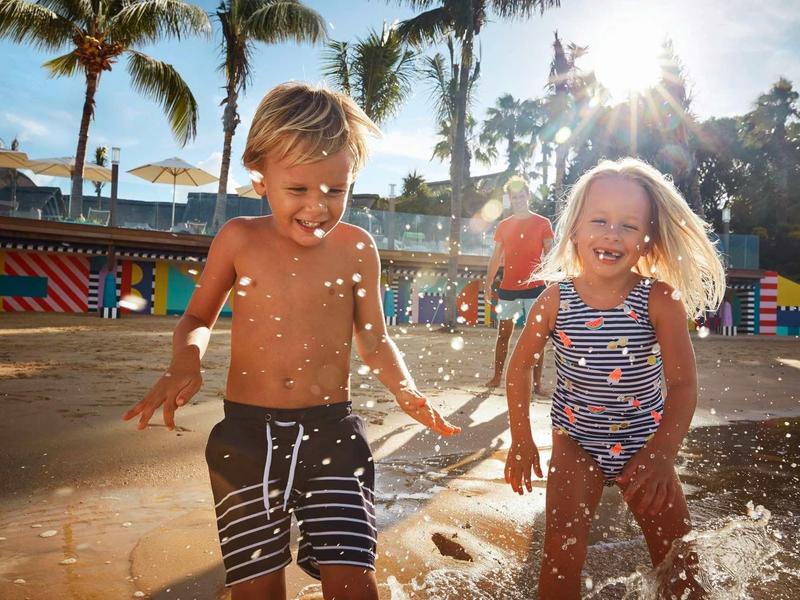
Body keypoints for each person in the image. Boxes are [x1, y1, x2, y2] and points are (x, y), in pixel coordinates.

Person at [122, 82, 460, 600]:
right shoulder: (240, 238)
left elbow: (374, 341)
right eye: (298, 190)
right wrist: (185, 361)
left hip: (334, 436)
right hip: (247, 439)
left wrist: (406, 389)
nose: (318, 207)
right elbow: (197, 314)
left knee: (352, 579)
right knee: (256, 588)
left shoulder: (357, 248)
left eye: (334, 190)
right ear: (260, 176)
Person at [504, 158, 725, 599]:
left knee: (679, 561)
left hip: (646, 443)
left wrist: (662, 455)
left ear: (647, 240)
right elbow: (519, 368)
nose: (611, 234)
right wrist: (521, 439)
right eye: (599, 221)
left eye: (628, 225)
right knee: (560, 555)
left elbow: (682, 386)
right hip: (575, 442)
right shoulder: (554, 300)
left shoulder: (659, 299)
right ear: (575, 232)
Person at [484, 176, 554, 392]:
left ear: (528, 196)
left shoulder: (543, 223)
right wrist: (488, 283)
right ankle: (496, 378)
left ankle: (536, 384)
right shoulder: (504, 226)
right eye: (515, 198)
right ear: (510, 199)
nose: (519, 200)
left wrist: (552, 284)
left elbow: (550, 255)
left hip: (536, 288)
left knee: (537, 338)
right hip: (508, 289)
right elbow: (496, 257)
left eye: (522, 196)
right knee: (503, 334)